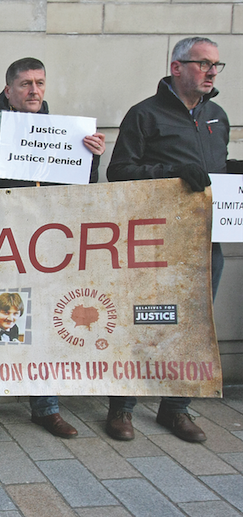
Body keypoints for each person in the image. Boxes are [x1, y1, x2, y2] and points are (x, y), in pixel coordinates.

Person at [0, 57, 106, 441]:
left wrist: (92, 156)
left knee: (47, 326)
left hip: (50, 247)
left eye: (39, 83)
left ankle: (46, 408)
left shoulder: (65, 133)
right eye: (25, 84)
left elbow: (84, 191)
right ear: (8, 90)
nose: (34, 91)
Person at [104, 37, 229, 444]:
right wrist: (174, 170)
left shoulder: (217, 117)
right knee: (143, 322)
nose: (211, 71)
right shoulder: (145, 115)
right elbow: (119, 172)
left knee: (194, 328)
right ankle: (122, 407)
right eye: (202, 63)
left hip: (206, 241)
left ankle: (175, 409)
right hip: (157, 242)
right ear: (177, 67)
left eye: (216, 65)